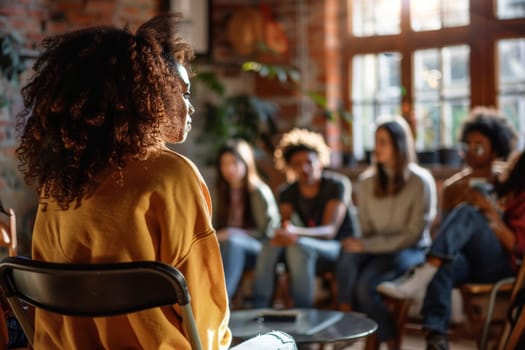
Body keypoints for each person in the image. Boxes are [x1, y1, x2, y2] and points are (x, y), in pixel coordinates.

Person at [15, 14, 296, 350]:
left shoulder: (57, 185)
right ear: (148, 95)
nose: (190, 107)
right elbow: (207, 322)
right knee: (281, 341)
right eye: (183, 93)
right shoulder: (171, 176)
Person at [377, 150, 525, 350]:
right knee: (446, 261)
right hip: (479, 259)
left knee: (468, 213)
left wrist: (489, 213)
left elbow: (517, 247)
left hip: (508, 265)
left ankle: (425, 268)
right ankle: (436, 338)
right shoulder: (509, 189)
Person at [336, 115, 437, 349]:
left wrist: (369, 246)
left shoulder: (421, 181)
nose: (376, 148)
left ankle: (388, 339)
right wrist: (365, 245)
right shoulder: (366, 182)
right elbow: (367, 230)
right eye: (376, 141)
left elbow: (413, 234)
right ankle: (346, 316)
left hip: (411, 249)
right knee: (347, 255)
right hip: (377, 247)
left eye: (383, 142)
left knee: (364, 285)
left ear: (399, 145)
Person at [252, 128, 359, 308]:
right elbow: (287, 225)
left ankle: (304, 312)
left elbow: (329, 231)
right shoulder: (287, 192)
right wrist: (283, 234)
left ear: (320, 162)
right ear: (289, 167)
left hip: (338, 246)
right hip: (304, 243)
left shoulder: (337, 185)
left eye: (309, 162)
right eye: (297, 164)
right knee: (270, 244)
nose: (304, 168)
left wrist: (295, 232)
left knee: (299, 247)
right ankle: (259, 308)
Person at [214, 139, 280, 300]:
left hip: (259, 248)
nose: (229, 169)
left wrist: (233, 233)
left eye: (234, 163)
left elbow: (268, 232)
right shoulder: (222, 191)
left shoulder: (258, 191)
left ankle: (223, 301)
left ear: (246, 163)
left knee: (233, 243)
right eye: (224, 164)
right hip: (227, 246)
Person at [441, 106, 517, 220]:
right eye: (466, 146)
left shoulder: (508, 181)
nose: (470, 152)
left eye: (478, 147)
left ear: (495, 150)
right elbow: (446, 225)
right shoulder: (452, 188)